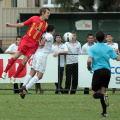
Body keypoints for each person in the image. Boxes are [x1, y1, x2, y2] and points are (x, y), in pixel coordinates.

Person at [1, 7, 50, 85]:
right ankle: (5, 71)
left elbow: (40, 35)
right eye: (48, 12)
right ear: (43, 13)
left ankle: (14, 77)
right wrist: (11, 25)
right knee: (16, 56)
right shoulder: (34, 18)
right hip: (27, 40)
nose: (49, 14)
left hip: (34, 45)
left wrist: (40, 43)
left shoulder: (46, 25)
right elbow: (22, 24)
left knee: (24, 61)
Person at [87, 31, 120, 117]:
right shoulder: (109, 48)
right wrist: (118, 53)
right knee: (103, 92)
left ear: (96, 38)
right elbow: (118, 59)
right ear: (104, 38)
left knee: (94, 94)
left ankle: (102, 96)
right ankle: (104, 113)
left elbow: (89, 60)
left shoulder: (92, 48)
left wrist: (88, 67)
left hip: (98, 71)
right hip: (107, 72)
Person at [20, 24, 55, 99]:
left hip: (36, 54)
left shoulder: (43, 34)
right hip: (42, 56)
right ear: (53, 30)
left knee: (32, 72)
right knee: (39, 75)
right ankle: (26, 88)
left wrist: (40, 40)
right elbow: (46, 38)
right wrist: (42, 43)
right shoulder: (50, 35)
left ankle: (23, 85)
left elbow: (40, 36)